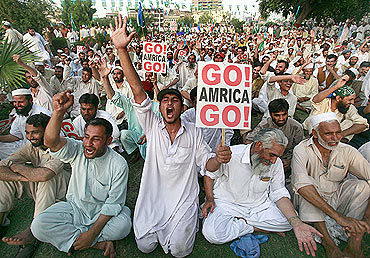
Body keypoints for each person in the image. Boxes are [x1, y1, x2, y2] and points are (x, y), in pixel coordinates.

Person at [110, 15, 231, 257]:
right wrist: (122, 50)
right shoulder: (152, 125)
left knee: (178, 251)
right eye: (164, 100)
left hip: (183, 201)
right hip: (153, 198)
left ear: (181, 107)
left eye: (174, 100)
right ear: (160, 106)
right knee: (144, 246)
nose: (169, 104)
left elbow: (207, 164)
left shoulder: (194, 132)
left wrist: (219, 157)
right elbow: (136, 89)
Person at [30, 91, 132, 258]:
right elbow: (50, 142)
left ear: (108, 141)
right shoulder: (77, 149)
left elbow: (113, 203)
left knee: (123, 226)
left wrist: (91, 232)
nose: (89, 144)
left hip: (102, 213)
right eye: (86, 137)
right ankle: (100, 244)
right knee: (38, 226)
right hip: (75, 208)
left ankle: (79, 239)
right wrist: (58, 112)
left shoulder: (119, 164)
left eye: (96, 139)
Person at [202, 128, 322, 257]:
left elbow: (279, 193)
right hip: (227, 205)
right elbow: (209, 172)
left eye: (277, 156)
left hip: (258, 207)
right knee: (212, 233)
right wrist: (209, 198)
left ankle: (242, 224)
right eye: (272, 155)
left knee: (290, 221)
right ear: (259, 145)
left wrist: (297, 224)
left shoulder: (276, 164)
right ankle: (257, 227)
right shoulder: (233, 154)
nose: (274, 161)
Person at [291, 112, 370, 258]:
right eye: (328, 134)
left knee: (362, 186)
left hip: (334, 197)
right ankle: (329, 244)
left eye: (338, 132)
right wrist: (338, 217)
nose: (335, 138)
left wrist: (367, 218)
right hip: (307, 202)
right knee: (307, 186)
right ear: (315, 133)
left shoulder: (347, 150)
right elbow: (301, 186)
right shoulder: (301, 150)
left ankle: (353, 241)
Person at [0, 114, 69, 257]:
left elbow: (44, 175)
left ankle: (33, 232)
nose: (30, 136)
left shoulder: (60, 145)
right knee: (5, 179)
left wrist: (15, 167)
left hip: (65, 191)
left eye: (35, 132)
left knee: (46, 177)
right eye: (27, 132)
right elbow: (1, 167)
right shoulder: (31, 146)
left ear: (47, 131)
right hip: (41, 188)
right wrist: (21, 177)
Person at [244, 99, 303, 172]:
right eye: (277, 115)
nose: (281, 119)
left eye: (284, 114)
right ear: (270, 114)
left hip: (287, 158)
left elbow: (300, 148)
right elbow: (249, 141)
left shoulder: (296, 127)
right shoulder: (264, 125)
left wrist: (290, 160)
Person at [304, 75, 368, 141]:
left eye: (353, 99)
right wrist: (335, 87)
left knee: (349, 122)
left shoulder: (349, 107)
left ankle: (337, 143)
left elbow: (363, 124)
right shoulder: (324, 101)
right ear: (338, 98)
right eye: (350, 99)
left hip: (334, 135)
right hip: (316, 132)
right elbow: (315, 99)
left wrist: (341, 134)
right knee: (315, 119)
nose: (352, 102)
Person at [0, 89, 51, 160]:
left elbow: (52, 138)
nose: (17, 105)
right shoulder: (20, 113)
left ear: (31, 100)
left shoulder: (42, 114)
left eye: (20, 102)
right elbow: (16, 136)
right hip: (24, 144)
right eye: (15, 102)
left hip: (39, 148)